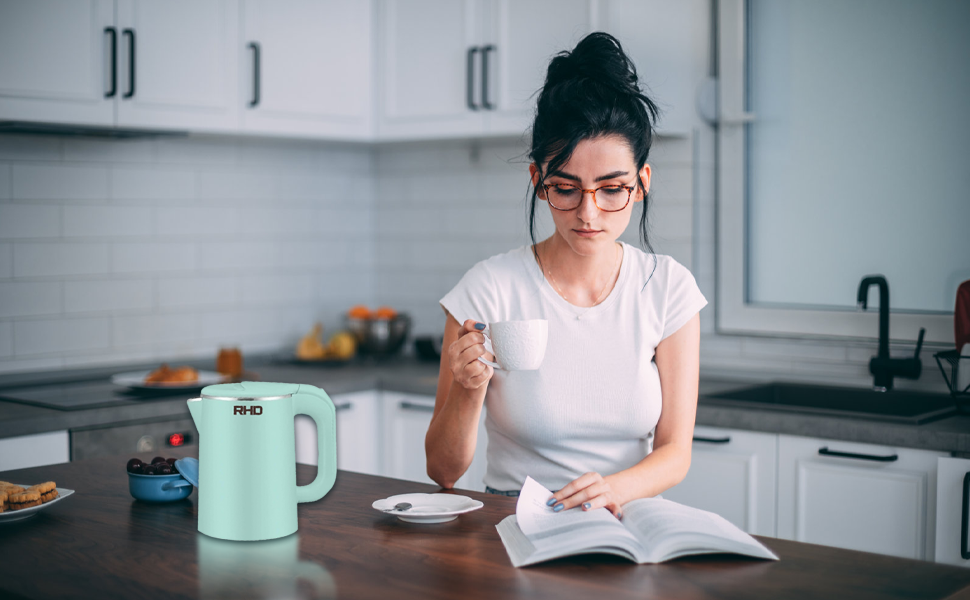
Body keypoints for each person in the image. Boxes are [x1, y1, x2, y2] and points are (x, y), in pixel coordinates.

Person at [425, 32, 707, 520]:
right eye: (566, 188)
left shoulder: (668, 289)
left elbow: (675, 452)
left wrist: (611, 492)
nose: (589, 213)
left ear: (641, 183)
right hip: (513, 518)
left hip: (627, 516)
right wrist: (468, 391)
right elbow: (442, 472)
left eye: (612, 188)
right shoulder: (488, 289)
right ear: (538, 181)